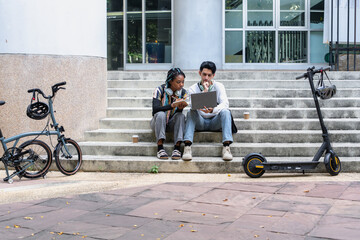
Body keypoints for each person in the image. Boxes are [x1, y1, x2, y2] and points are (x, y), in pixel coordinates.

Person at [182, 61, 233, 161]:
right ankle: (187, 146)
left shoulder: (219, 86)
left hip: (215, 121)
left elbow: (225, 103)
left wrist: (213, 110)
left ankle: (226, 147)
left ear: (213, 75)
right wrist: (204, 92)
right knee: (190, 112)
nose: (206, 78)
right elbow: (191, 105)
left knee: (226, 111)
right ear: (199, 73)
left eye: (209, 75)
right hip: (199, 122)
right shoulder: (192, 88)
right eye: (204, 74)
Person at [151, 68, 188, 160]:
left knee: (181, 116)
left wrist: (179, 108)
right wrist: (171, 106)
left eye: (183, 82)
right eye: (178, 82)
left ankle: (177, 148)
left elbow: (178, 115)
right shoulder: (159, 90)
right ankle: (160, 148)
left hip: (171, 123)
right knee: (161, 114)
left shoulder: (183, 92)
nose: (181, 85)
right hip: (158, 122)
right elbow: (155, 110)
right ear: (170, 81)